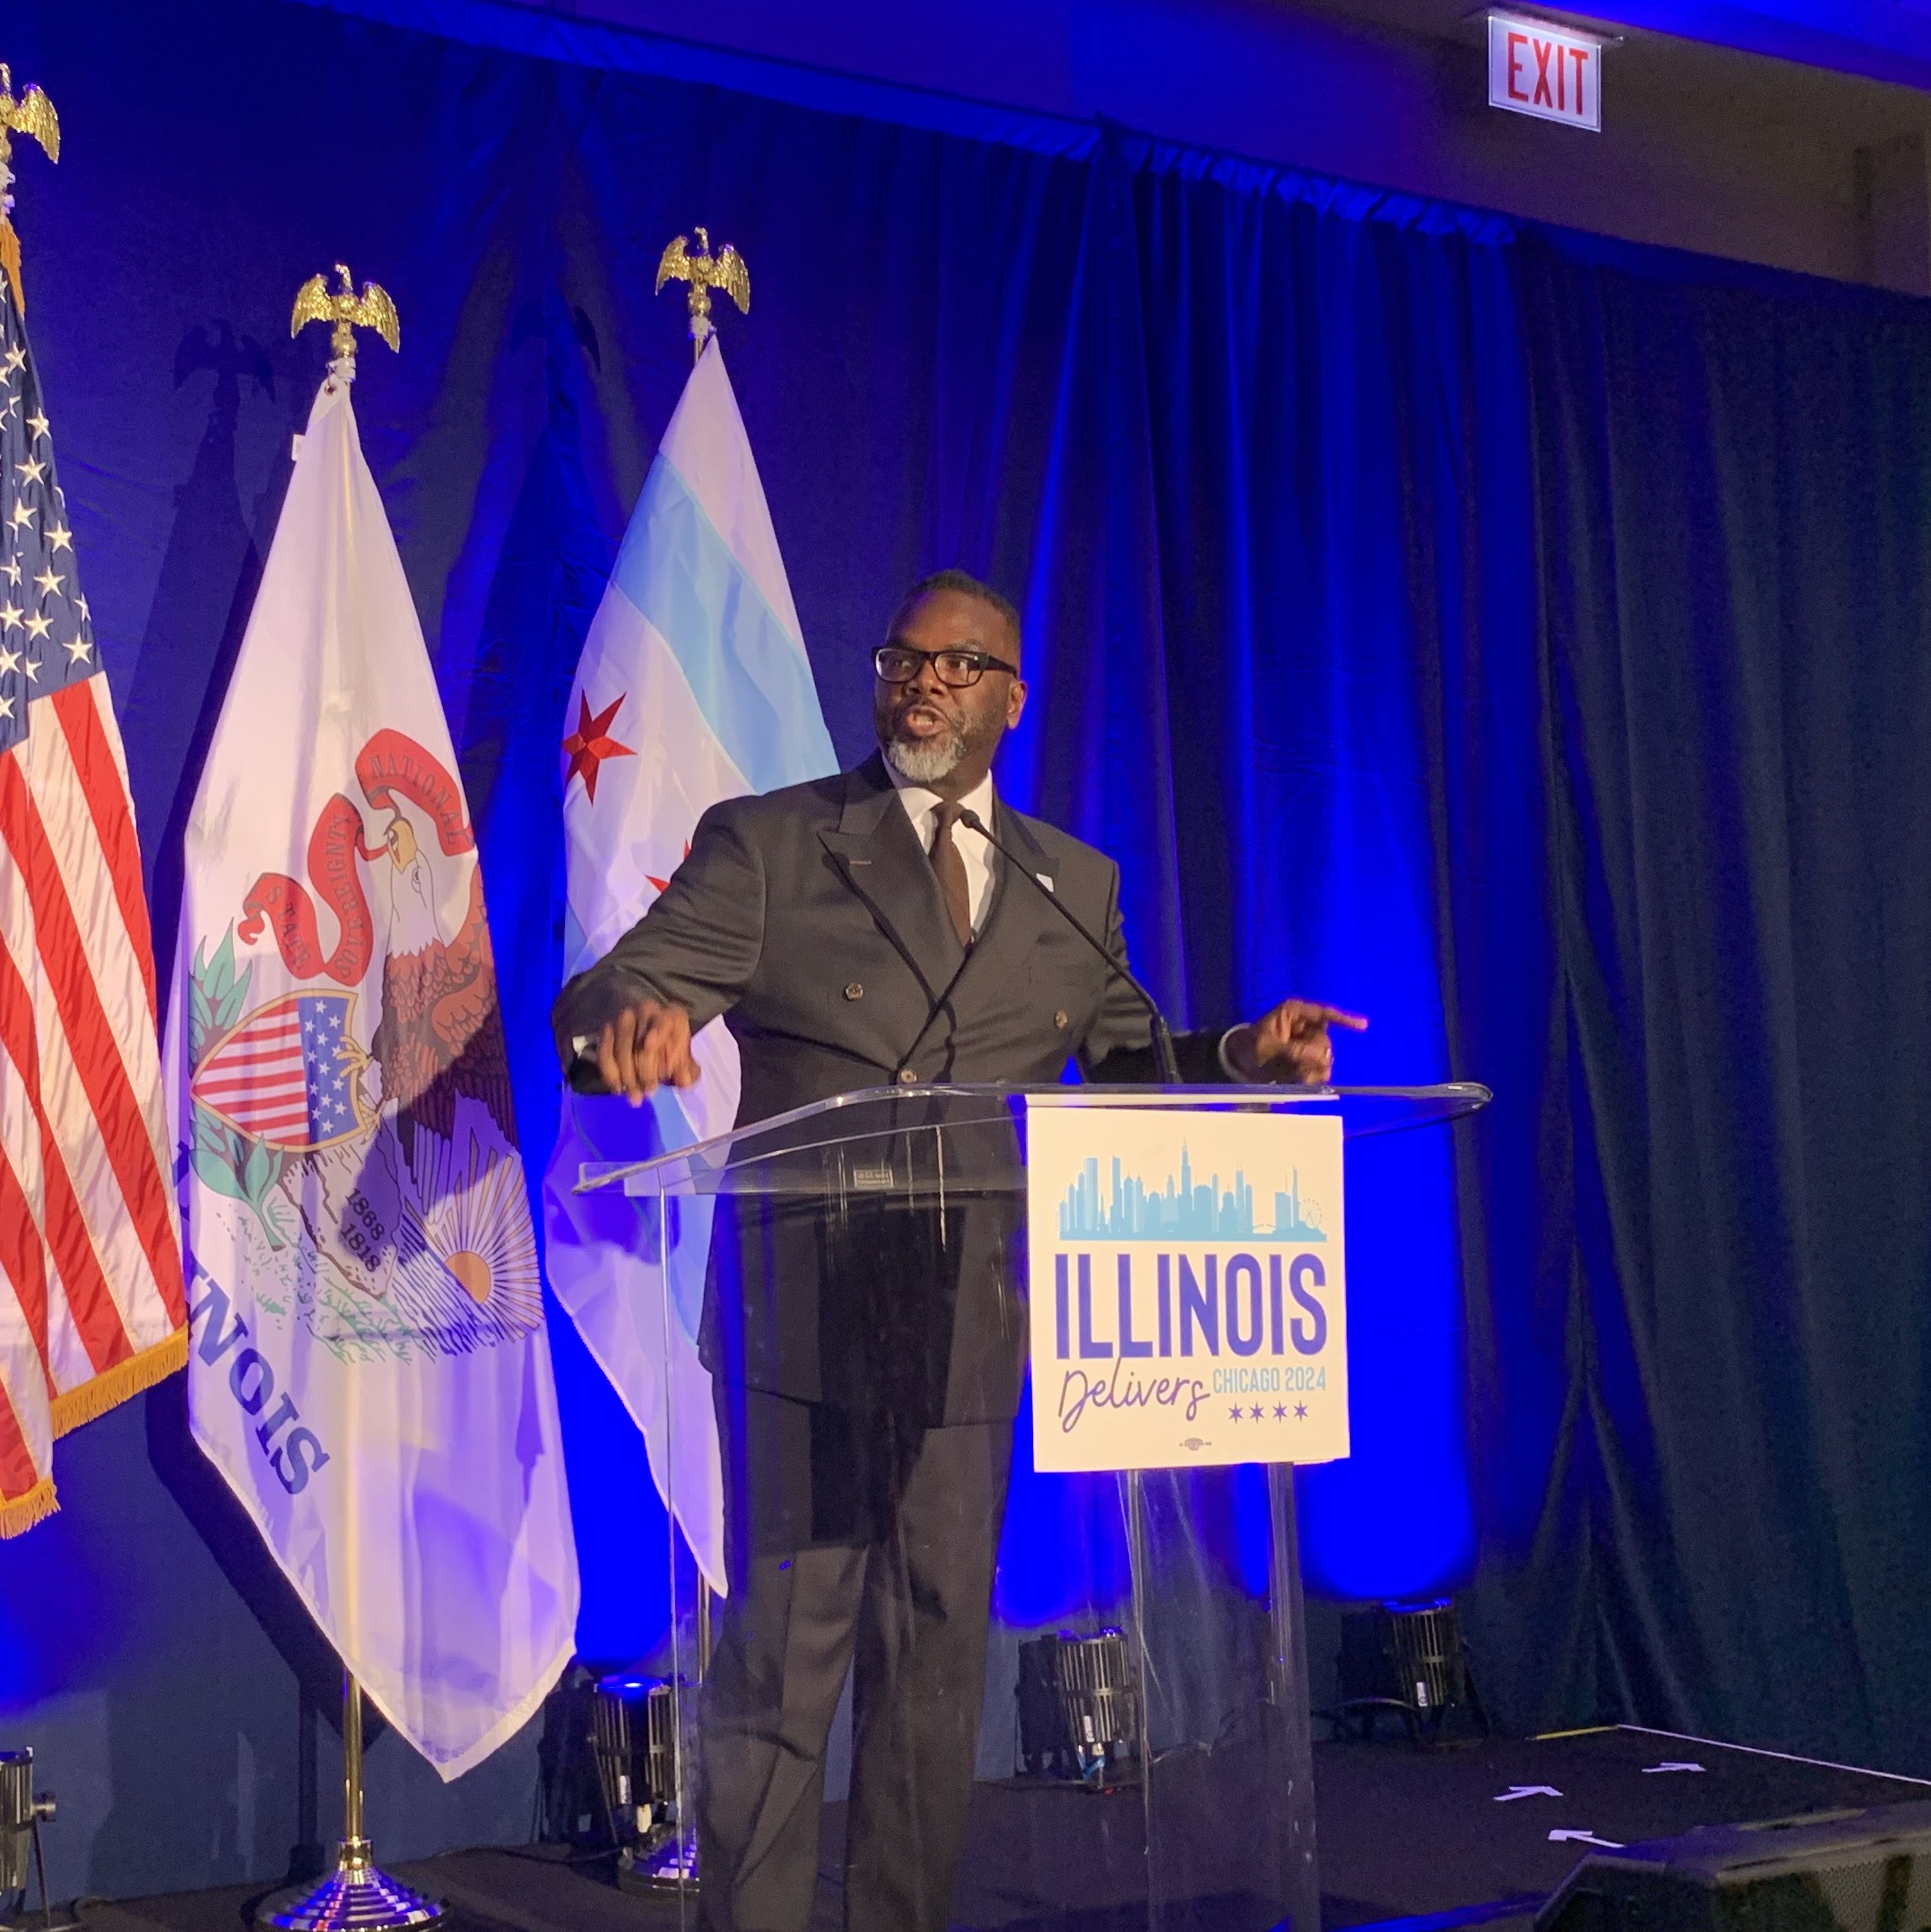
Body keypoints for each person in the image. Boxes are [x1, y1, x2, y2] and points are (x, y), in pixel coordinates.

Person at [552, 569, 1361, 1932]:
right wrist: (624, 1028)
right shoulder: (774, 843)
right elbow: (613, 988)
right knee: (781, 1683)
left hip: (971, 1327)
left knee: (932, 1685)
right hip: (803, 1329)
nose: (924, 681)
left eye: (957, 664)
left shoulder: (1068, 881)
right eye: (902, 658)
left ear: (1010, 697)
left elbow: (1120, 1067)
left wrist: (1239, 1056)